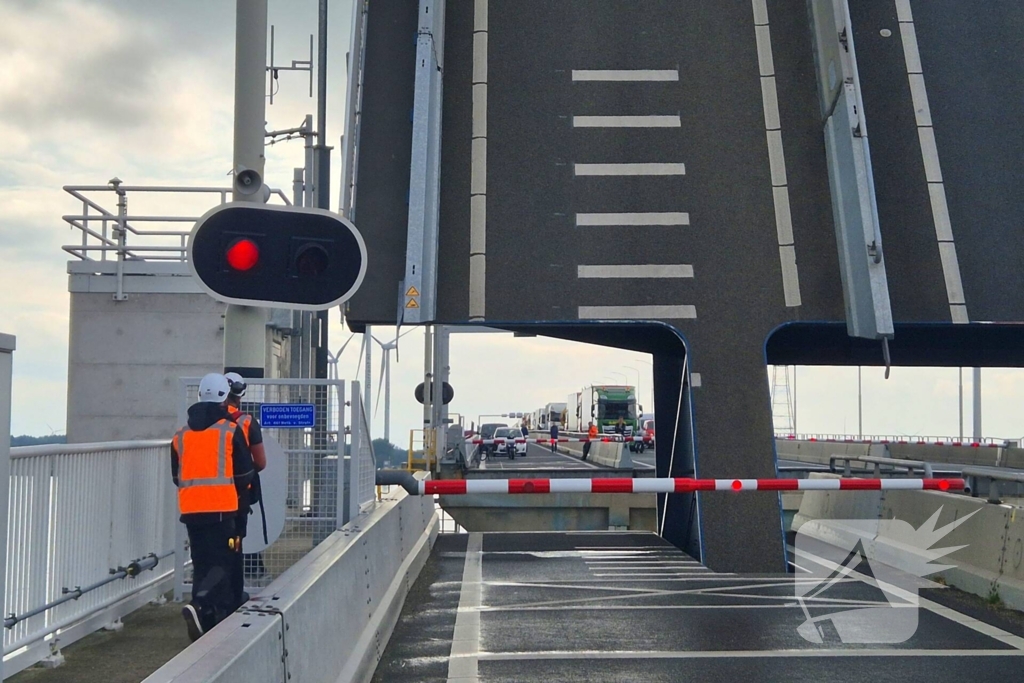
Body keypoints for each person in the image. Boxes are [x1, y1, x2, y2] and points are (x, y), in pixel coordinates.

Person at [172, 373, 255, 642]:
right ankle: (199, 603)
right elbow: (245, 474)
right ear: (224, 398)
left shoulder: (180, 436)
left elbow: (177, 476)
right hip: (223, 510)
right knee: (223, 561)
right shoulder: (230, 431)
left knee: (201, 562)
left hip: (190, 510)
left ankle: (205, 618)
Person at [223, 372, 267, 600]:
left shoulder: (204, 420)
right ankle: (233, 595)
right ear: (240, 394)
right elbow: (260, 462)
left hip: (203, 499)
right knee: (235, 545)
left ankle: (205, 597)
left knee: (208, 549)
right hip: (238, 496)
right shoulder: (247, 422)